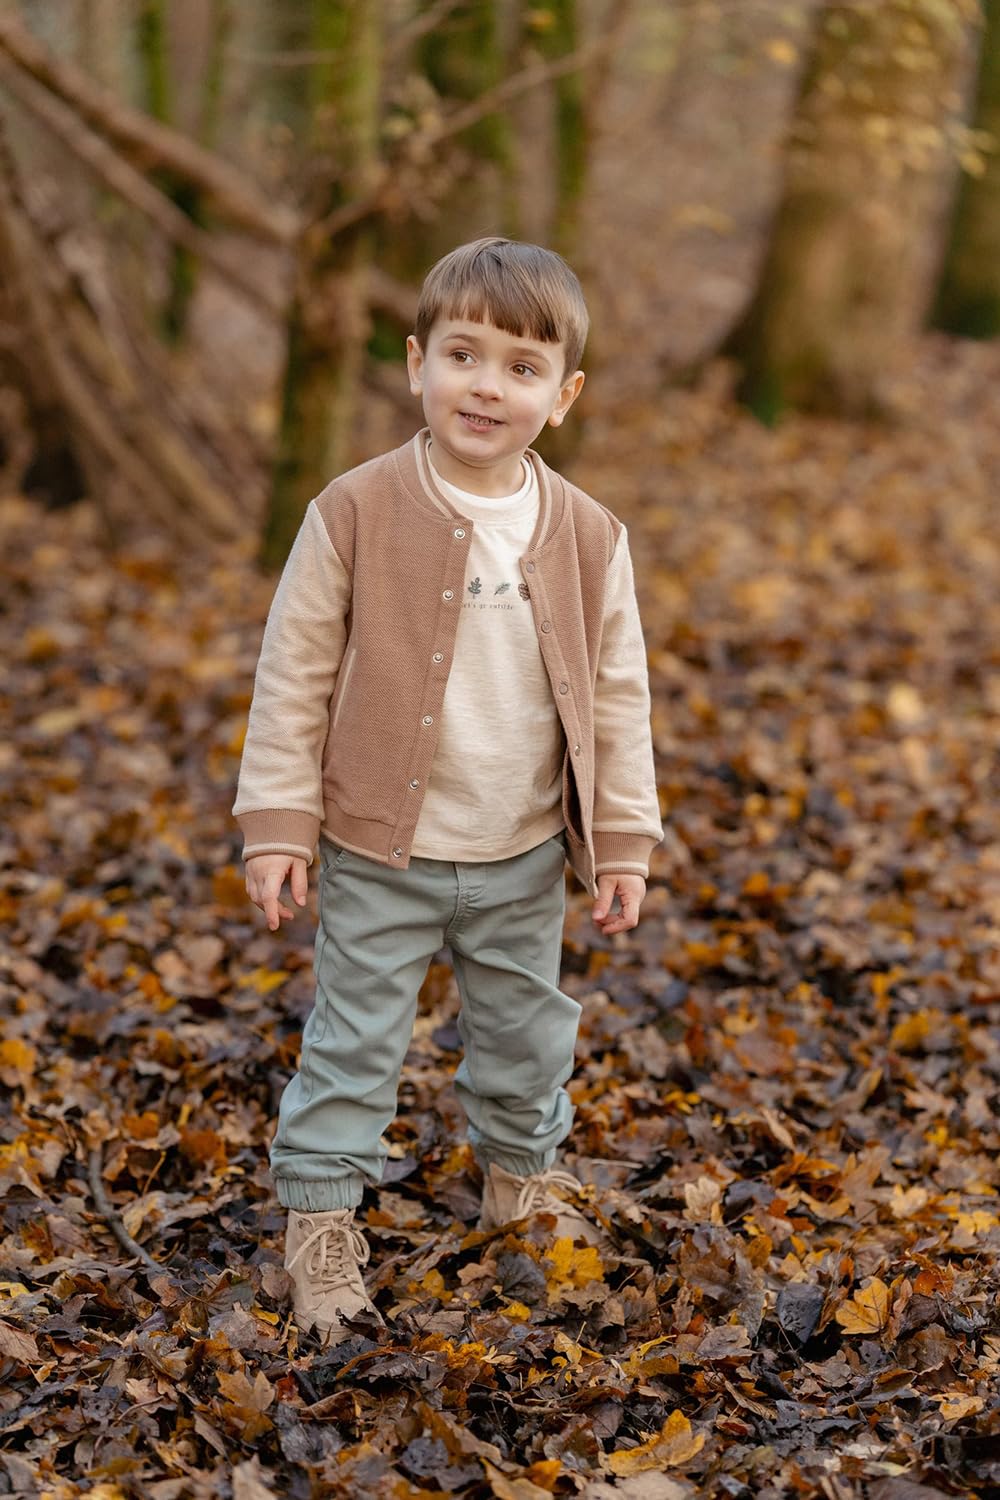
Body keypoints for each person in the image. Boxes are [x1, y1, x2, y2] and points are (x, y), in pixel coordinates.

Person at [233, 236, 662, 1343]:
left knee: (528, 1039)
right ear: (417, 361)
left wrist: (621, 839)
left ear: (562, 396)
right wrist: (277, 821)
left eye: (521, 368)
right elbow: (294, 672)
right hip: (381, 846)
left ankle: (521, 1181)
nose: (486, 386)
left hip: (521, 851)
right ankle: (320, 1222)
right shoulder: (354, 511)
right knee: (355, 1042)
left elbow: (619, 694)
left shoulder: (588, 536)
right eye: (463, 355)